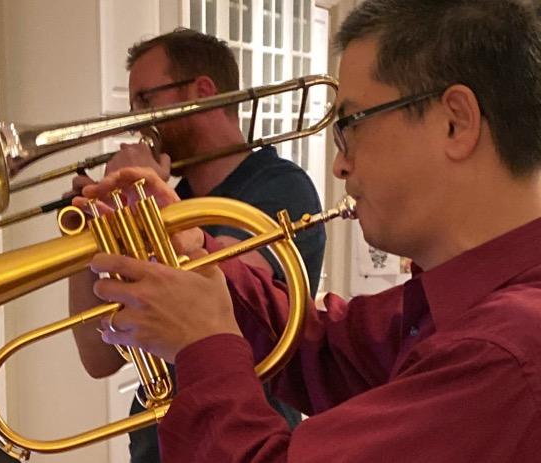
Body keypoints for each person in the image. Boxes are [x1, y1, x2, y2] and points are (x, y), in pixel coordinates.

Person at [82, 1, 541, 461]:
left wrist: (202, 345)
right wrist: (195, 247)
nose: (340, 165)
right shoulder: (455, 305)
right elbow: (324, 350)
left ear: (454, 122)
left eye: (350, 126)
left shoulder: (505, 351)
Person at [66, 29, 327, 462]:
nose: (136, 121)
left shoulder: (281, 188)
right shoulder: (171, 199)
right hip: (160, 446)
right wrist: (89, 232)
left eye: (147, 100)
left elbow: (220, 293)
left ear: (202, 91)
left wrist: (148, 201)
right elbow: (99, 360)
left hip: (242, 442)